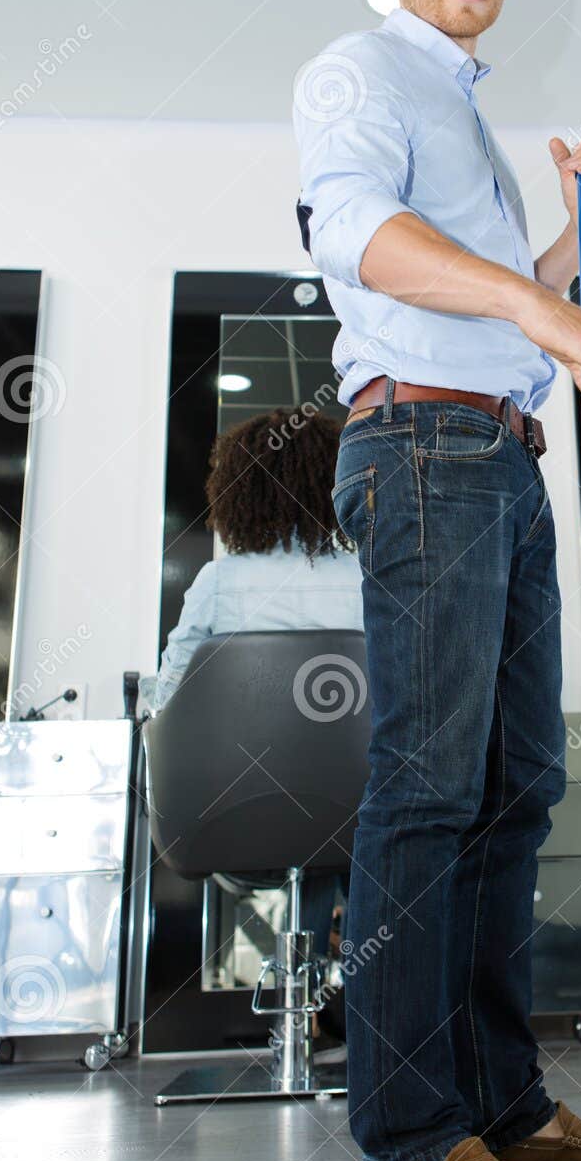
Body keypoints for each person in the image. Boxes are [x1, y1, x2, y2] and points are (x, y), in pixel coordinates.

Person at [293, 0, 581, 1161]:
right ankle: (406, 1142)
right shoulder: (360, 72)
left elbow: (506, 301)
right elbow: (358, 234)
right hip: (421, 448)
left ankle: (499, 1103)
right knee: (430, 789)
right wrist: (532, 305)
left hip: (497, 456)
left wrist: (572, 238)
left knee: (515, 788)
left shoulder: (463, 115)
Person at [154, 408, 363, 960]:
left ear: (238, 492)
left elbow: (168, 699)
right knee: (336, 819)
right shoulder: (370, 578)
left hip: (236, 809)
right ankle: (348, 973)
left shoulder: (219, 583)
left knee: (295, 813)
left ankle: (298, 973)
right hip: (356, 809)